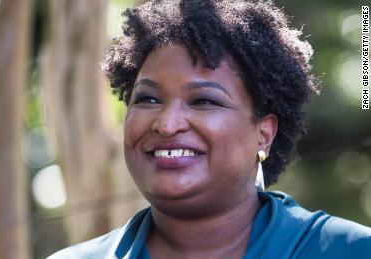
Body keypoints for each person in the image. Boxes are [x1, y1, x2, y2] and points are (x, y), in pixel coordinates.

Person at [48, 0, 371, 258]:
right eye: (147, 98)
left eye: (203, 101)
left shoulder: (349, 250)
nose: (167, 123)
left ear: (264, 133)